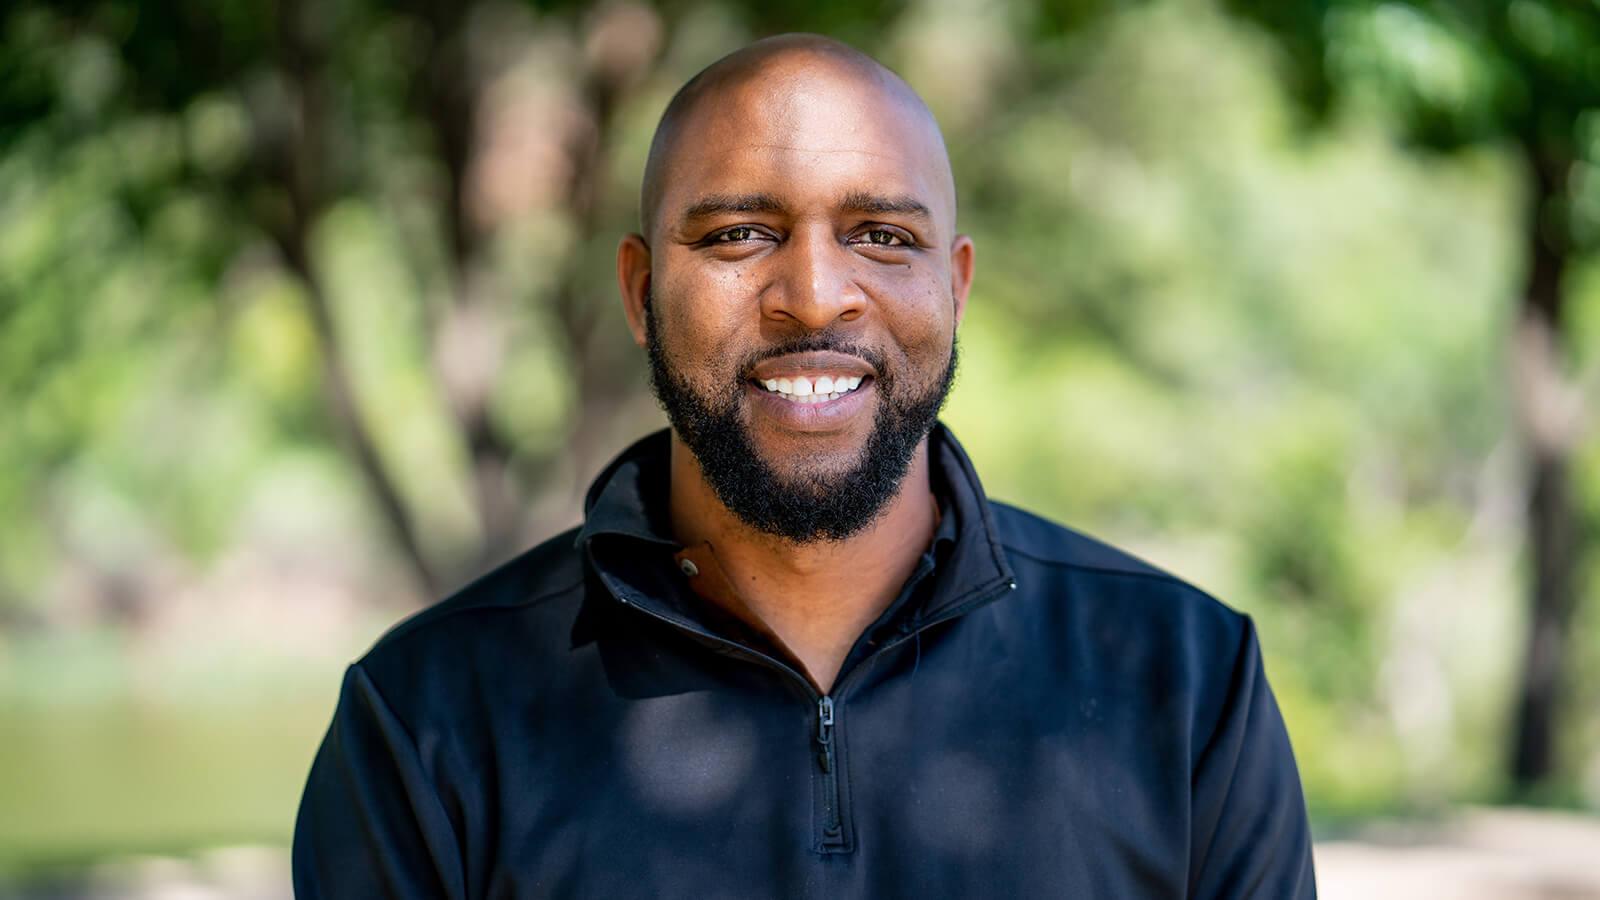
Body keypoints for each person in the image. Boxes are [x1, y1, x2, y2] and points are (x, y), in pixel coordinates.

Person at [293, 33, 1316, 899]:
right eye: (741, 234)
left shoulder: (1185, 684)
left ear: (953, 290)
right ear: (640, 291)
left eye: (881, 235)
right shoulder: (426, 720)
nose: (817, 296)